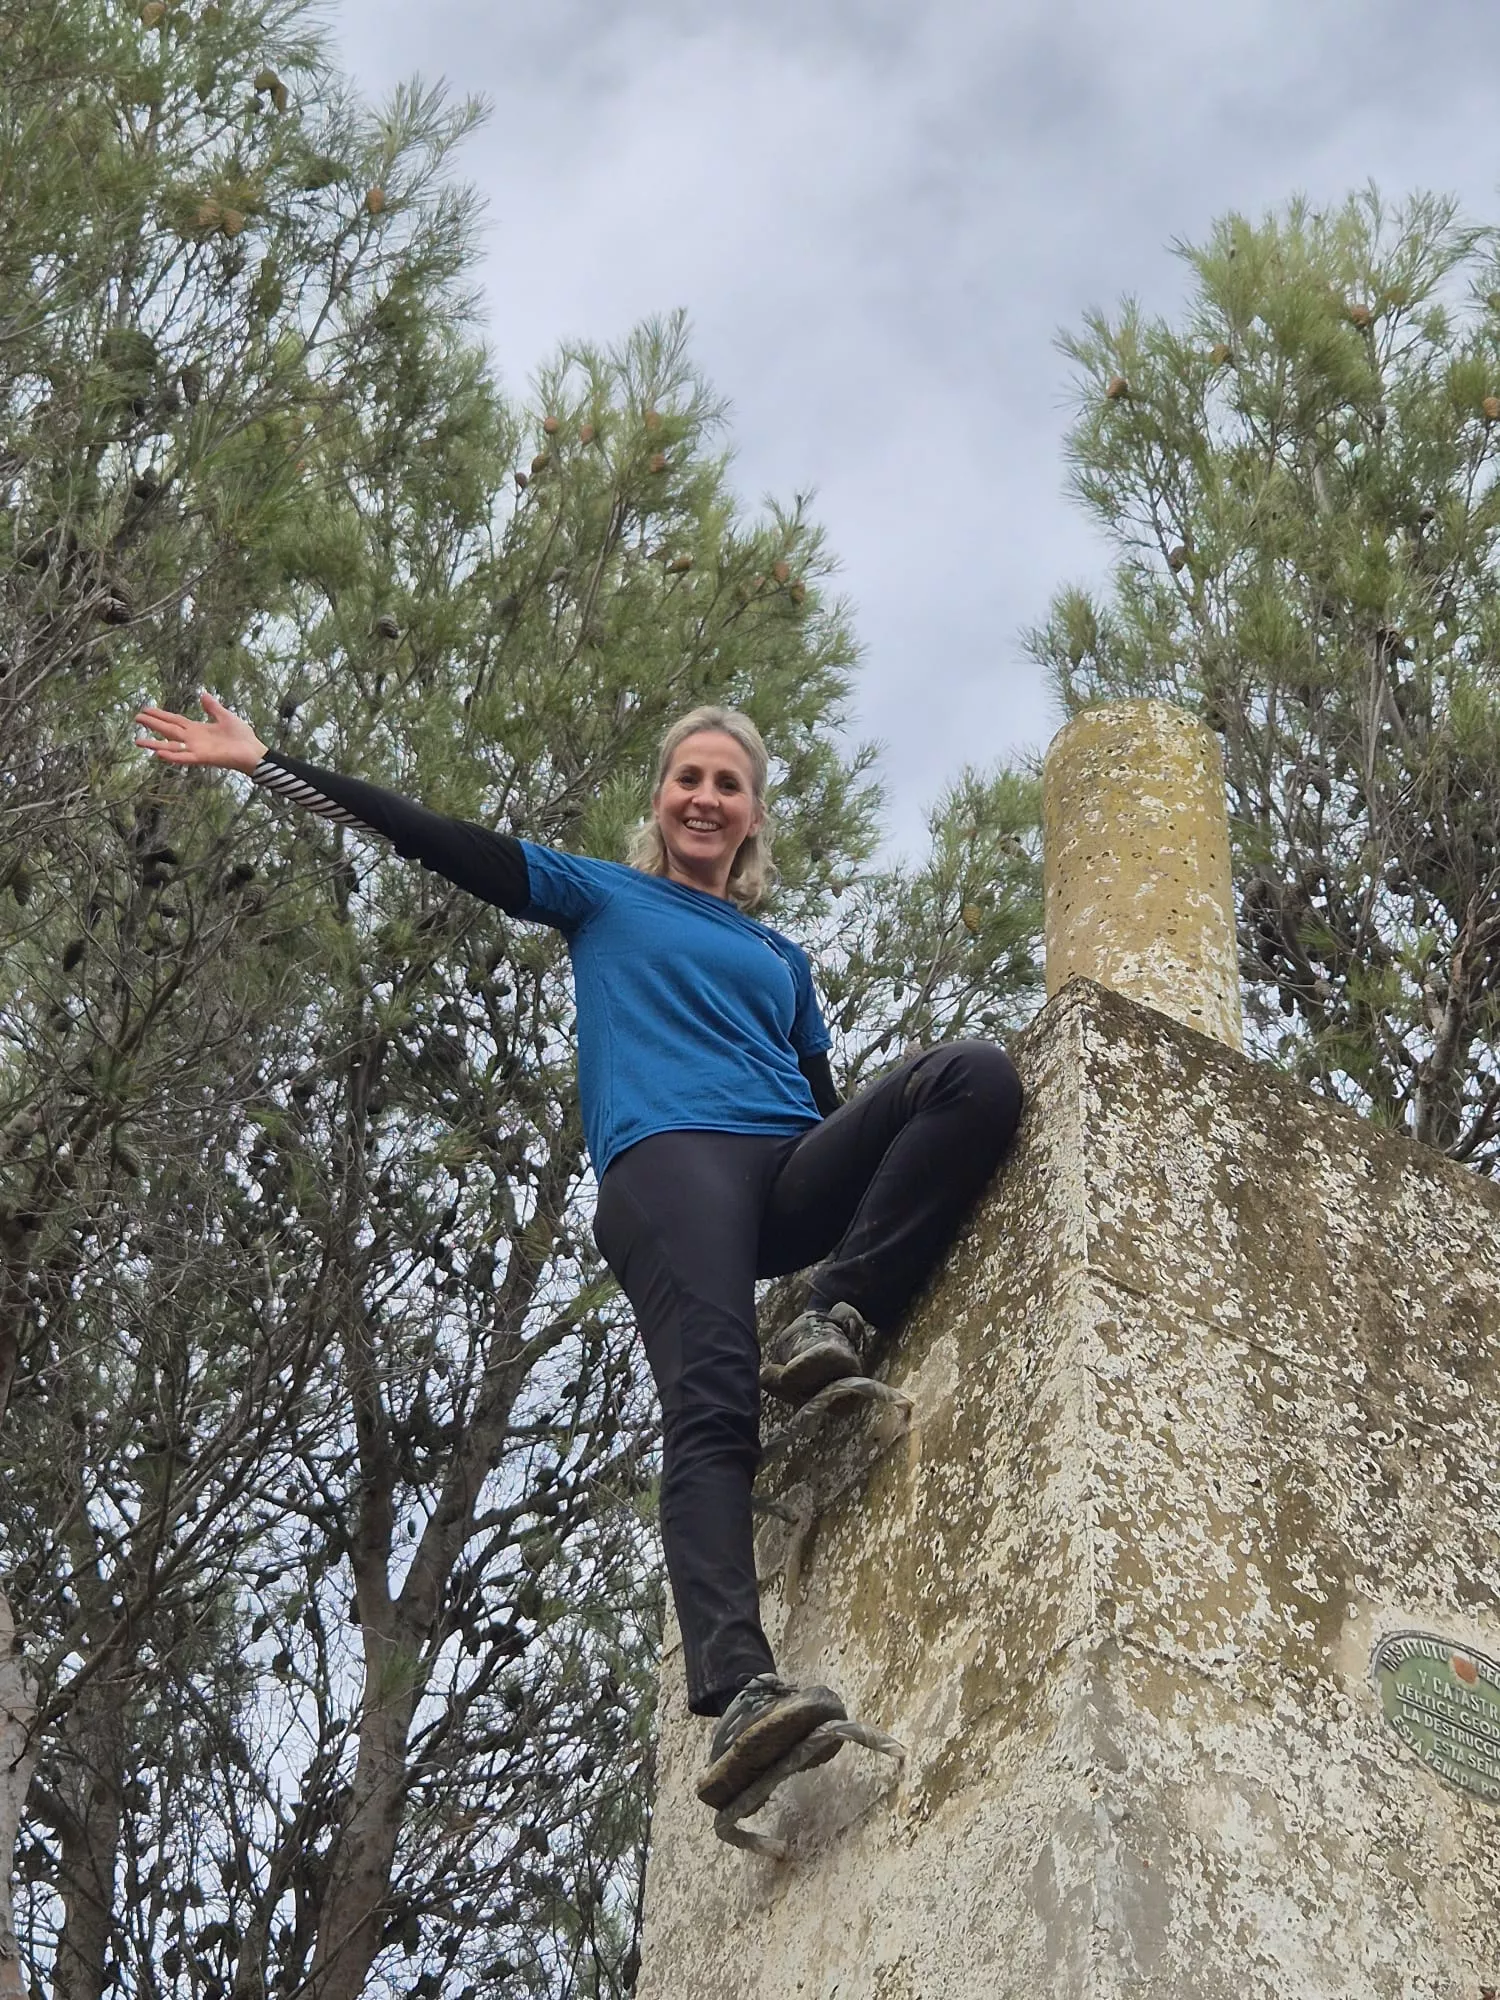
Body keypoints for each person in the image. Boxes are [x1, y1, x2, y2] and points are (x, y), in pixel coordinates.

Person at [133, 691, 1023, 1810]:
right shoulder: (603, 894)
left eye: (729, 784)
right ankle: (741, 1691)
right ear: (662, 799)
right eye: (689, 778)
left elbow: (833, 1108)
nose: (706, 797)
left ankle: (833, 1316)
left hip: (784, 1165)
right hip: (672, 1162)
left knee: (974, 1075)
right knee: (712, 1399)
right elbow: (439, 840)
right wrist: (268, 762)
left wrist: (861, 1239)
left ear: (754, 816)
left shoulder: (781, 957)